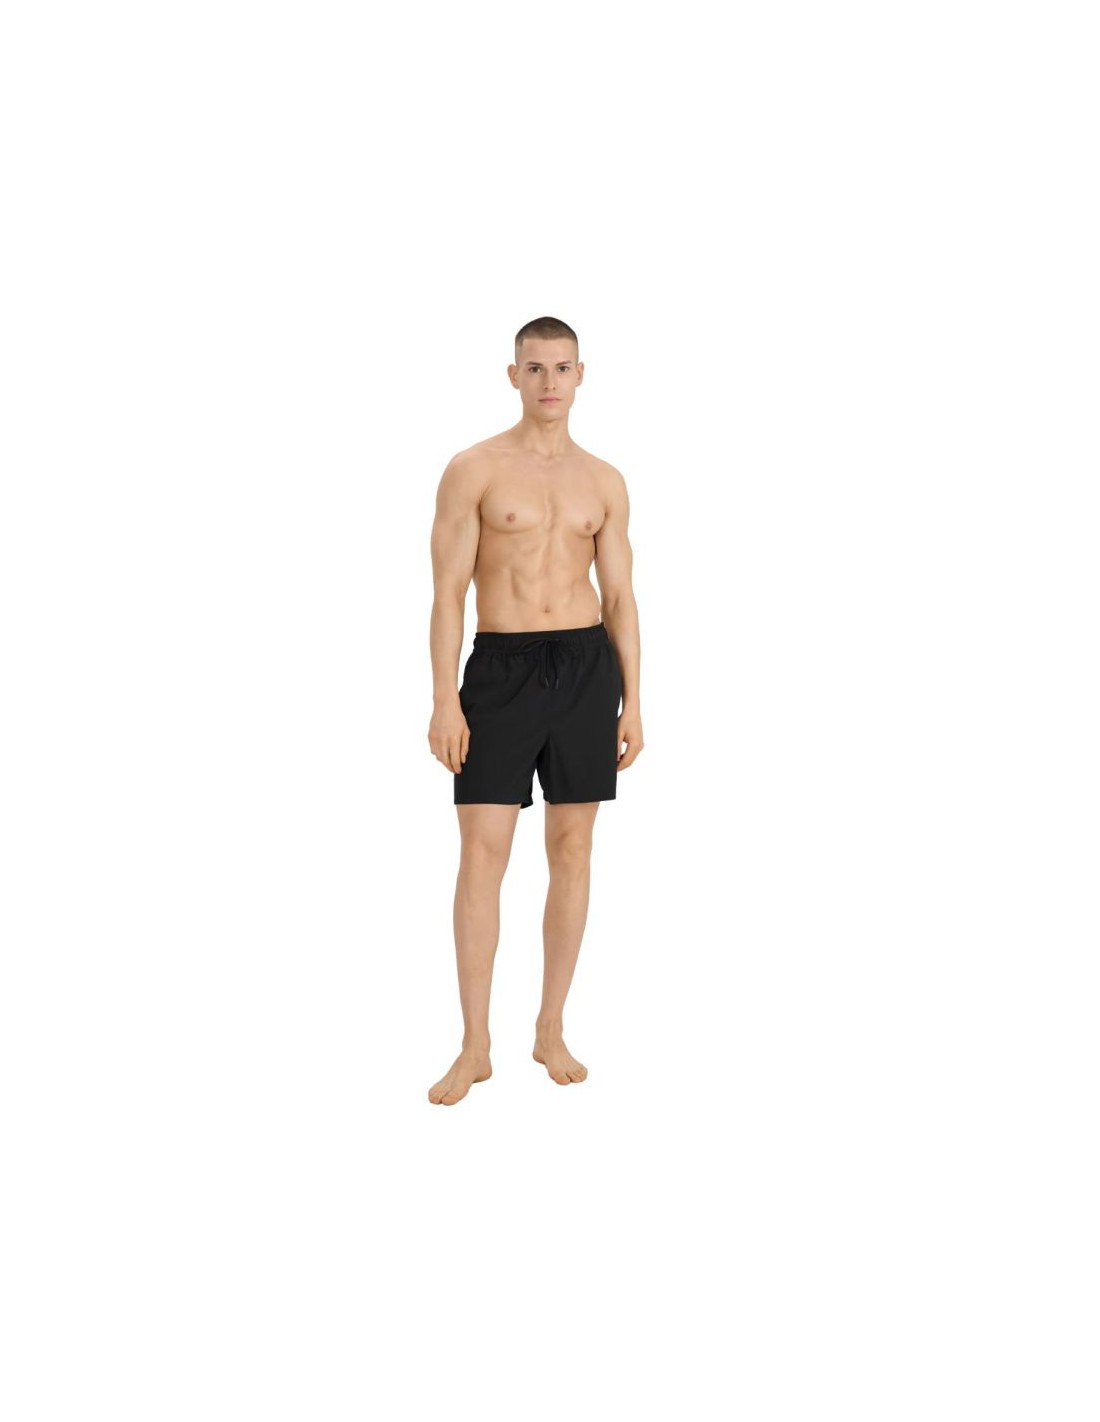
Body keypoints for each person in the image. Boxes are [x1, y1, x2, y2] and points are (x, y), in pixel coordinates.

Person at [426, 316, 644, 1105]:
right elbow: (447, 593)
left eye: (562, 367)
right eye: (535, 368)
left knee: (573, 849)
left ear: (581, 375)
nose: (549, 381)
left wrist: (634, 701)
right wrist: (445, 699)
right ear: (513, 375)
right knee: (482, 854)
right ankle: (474, 1045)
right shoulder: (474, 470)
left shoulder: (604, 481)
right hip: (501, 671)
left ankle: (550, 1029)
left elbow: (620, 597)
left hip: (585, 668)